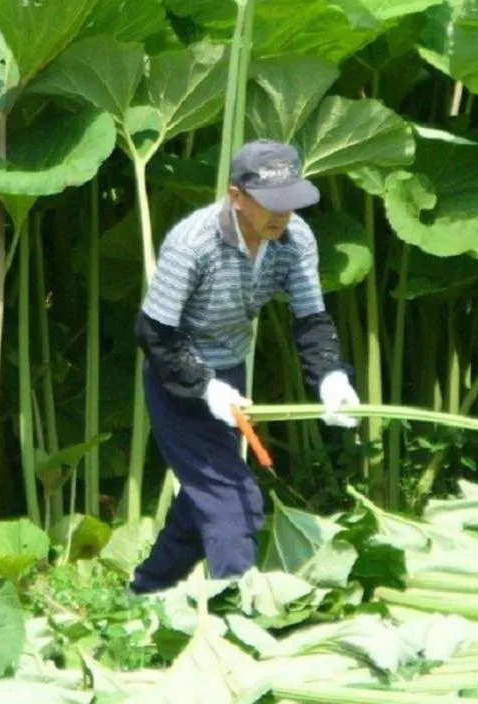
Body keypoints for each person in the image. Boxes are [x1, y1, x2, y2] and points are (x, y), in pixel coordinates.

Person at [128, 139, 360, 596]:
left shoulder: (295, 239)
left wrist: (332, 377)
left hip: (232, 375)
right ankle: (238, 609)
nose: (282, 216)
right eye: (270, 205)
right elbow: (153, 332)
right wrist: (203, 386)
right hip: (177, 379)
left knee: (205, 501)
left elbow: (311, 318)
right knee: (234, 501)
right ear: (236, 196)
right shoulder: (192, 242)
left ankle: (145, 592)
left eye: (290, 204)